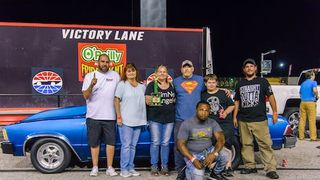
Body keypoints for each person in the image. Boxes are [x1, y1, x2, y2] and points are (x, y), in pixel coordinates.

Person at [233, 58, 279, 179]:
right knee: (246, 144)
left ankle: (270, 169)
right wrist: (234, 117)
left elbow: (271, 97)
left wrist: (275, 112)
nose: (249, 68)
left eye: (251, 66)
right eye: (247, 66)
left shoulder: (263, 81)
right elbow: (237, 102)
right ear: (244, 69)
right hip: (243, 120)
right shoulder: (239, 84)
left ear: (255, 68)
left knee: (265, 145)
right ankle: (250, 166)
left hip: (260, 120)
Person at [82, 54, 119, 177]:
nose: (105, 64)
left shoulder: (115, 76)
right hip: (93, 116)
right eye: (102, 61)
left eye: (107, 62)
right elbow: (86, 96)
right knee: (94, 143)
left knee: (111, 143)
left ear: (110, 63)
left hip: (110, 116)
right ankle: (95, 167)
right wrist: (92, 85)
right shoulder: (89, 76)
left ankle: (109, 167)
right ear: (97, 63)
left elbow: (119, 95)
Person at [177, 101, 229, 180]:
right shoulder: (187, 123)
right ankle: (186, 170)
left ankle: (216, 173)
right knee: (198, 177)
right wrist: (193, 160)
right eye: (201, 110)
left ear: (209, 112)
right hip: (193, 154)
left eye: (206, 110)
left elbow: (221, 139)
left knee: (226, 154)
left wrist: (213, 154)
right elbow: (180, 144)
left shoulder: (212, 122)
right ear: (196, 110)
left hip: (208, 151)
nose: (204, 113)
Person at [173, 60, 205, 180]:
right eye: (184, 67)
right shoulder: (175, 82)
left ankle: (194, 169)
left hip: (196, 120)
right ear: (181, 69)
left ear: (193, 69)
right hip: (180, 119)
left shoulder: (200, 80)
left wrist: (225, 90)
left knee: (196, 146)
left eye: (189, 67)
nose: (186, 69)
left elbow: (212, 87)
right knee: (179, 147)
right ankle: (180, 172)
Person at [114, 63, 147, 178]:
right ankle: (124, 169)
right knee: (126, 146)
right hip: (125, 121)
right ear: (125, 73)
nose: (131, 72)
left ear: (136, 72)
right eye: (128, 71)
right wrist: (119, 116)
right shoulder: (122, 84)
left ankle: (130, 167)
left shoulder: (142, 86)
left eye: (133, 70)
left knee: (133, 146)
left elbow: (147, 101)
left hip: (138, 120)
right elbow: (116, 100)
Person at [201, 74, 235, 177]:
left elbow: (232, 105)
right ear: (205, 84)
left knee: (226, 145)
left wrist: (225, 112)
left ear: (216, 83)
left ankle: (228, 167)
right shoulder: (202, 95)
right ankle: (213, 167)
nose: (211, 84)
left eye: (213, 82)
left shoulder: (223, 93)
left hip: (224, 124)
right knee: (212, 146)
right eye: (209, 82)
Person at [145, 65, 175, 176]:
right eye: (160, 72)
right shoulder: (152, 85)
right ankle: (154, 167)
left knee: (165, 143)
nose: (162, 73)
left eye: (164, 72)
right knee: (156, 142)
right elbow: (147, 101)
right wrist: (157, 99)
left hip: (169, 118)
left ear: (167, 74)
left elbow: (175, 99)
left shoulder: (172, 85)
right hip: (155, 118)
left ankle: (165, 167)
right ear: (156, 74)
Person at [299, 70, 319, 141]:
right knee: (312, 120)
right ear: (311, 76)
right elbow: (314, 90)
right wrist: (317, 96)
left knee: (302, 120)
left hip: (303, 102)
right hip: (310, 103)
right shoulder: (313, 82)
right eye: (313, 75)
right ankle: (313, 137)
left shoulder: (303, 83)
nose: (314, 76)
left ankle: (301, 136)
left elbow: (300, 93)